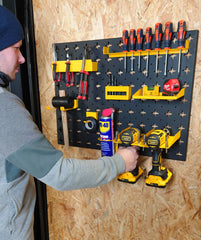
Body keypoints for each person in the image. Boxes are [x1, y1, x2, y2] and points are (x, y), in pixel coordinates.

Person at [0, 5, 139, 240]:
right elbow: (60, 174)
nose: (22, 59)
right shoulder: (4, 108)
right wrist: (120, 162)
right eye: (16, 48)